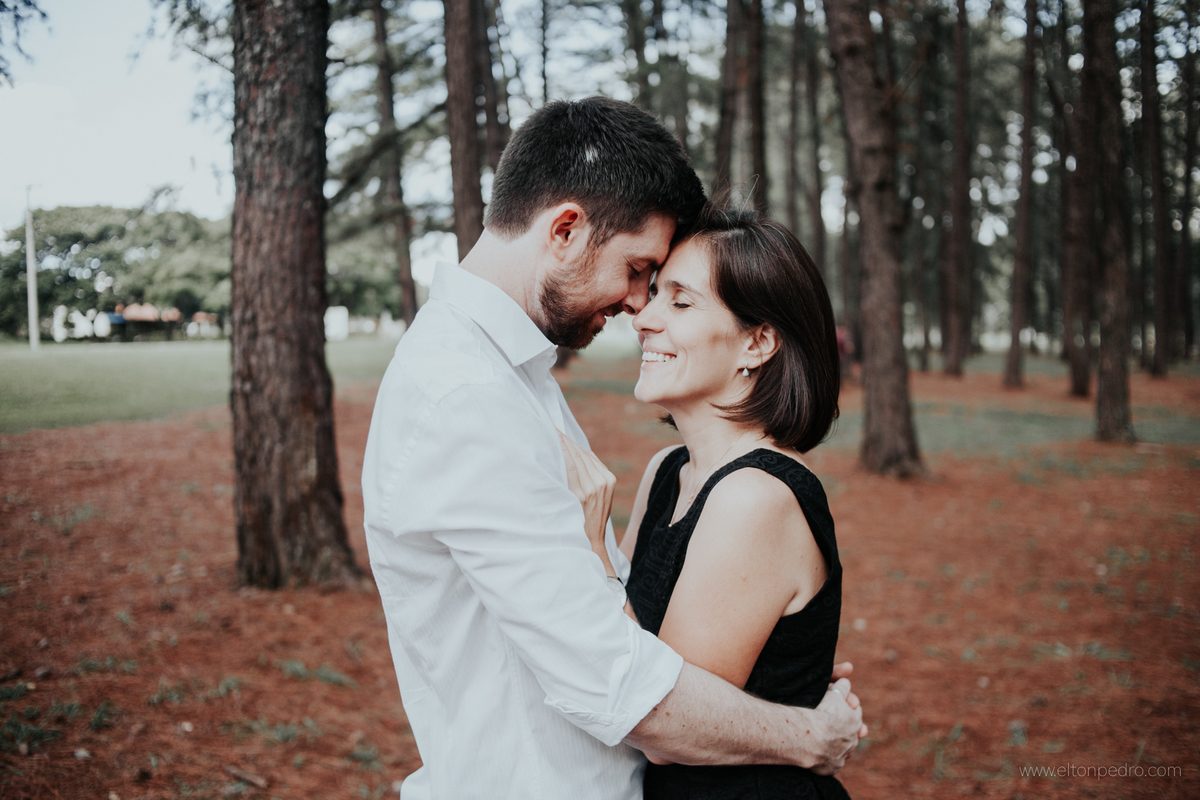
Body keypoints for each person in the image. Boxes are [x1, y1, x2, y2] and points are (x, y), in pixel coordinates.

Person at [361, 97, 865, 800]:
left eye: (670, 295)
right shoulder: (470, 395)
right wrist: (806, 731)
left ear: (758, 343)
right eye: (638, 271)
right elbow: (629, 688)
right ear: (565, 229)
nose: (639, 307)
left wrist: (780, 676)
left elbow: (633, 640)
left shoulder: (512, 374)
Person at [561, 204, 850, 799]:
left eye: (681, 302)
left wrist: (593, 549)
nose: (644, 318)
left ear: (757, 342)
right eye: (654, 294)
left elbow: (667, 726)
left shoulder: (754, 496)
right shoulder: (668, 471)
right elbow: (631, 636)